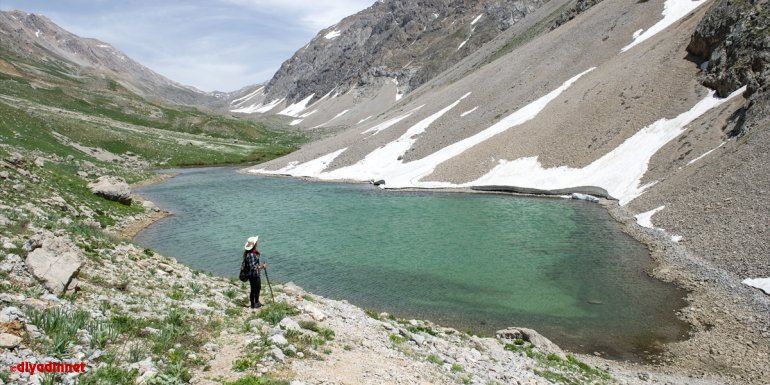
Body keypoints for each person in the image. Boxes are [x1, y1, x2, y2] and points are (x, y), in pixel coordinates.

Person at [243, 235, 264, 309]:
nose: (257, 243)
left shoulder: (250, 253)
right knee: (255, 289)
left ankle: (256, 303)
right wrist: (261, 266)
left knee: (256, 288)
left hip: (253, 274)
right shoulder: (252, 254)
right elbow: (253, 267)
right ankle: (254, 305)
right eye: (256, 242)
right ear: (254, 244)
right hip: (253, 275)